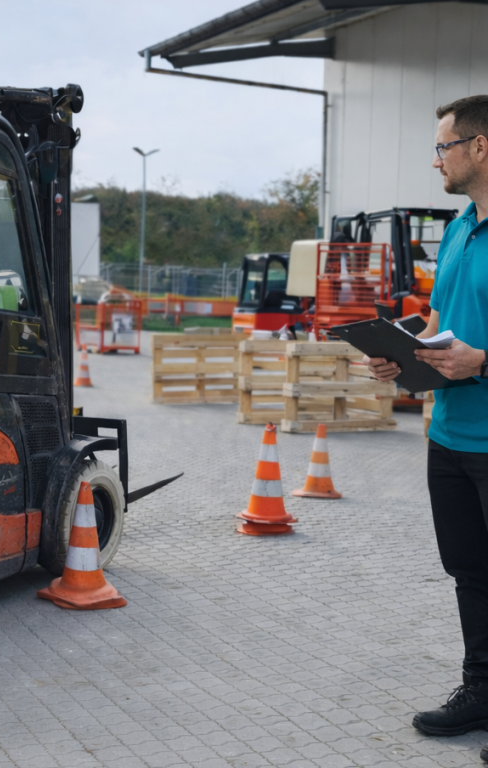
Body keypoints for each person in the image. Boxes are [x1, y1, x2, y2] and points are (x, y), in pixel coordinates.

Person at [364, 95, 488, 760]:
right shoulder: (464, 227)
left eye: (443, 146)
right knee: (471, 572)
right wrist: (404, 353)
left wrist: (484, 360)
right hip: (452, 435)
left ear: (479, 148)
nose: (435, 158)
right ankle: (480, 691)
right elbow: (443, 323)